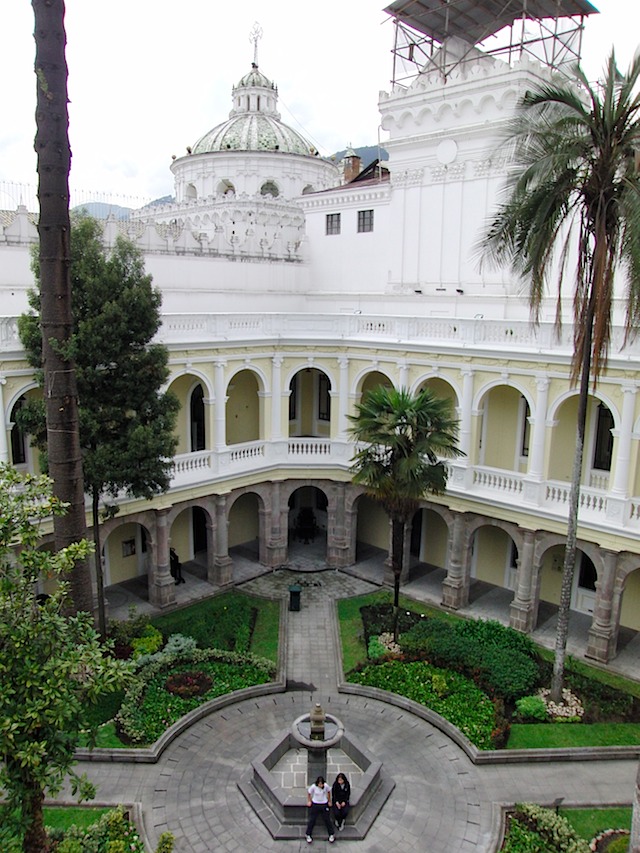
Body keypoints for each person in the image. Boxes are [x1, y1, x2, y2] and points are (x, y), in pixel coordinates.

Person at [306, 775, 335, 844]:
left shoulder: (326, 786)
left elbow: (328, 792)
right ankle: (308, 834)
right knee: (312, 819)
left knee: (327, 819)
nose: (321, 785)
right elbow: (309, 793)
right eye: (319, 784)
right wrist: (309, 801)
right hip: (315, 804)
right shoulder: (313, 786)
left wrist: (329, 801)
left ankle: (331, 834)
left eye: (322, 784)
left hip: (324, 803)